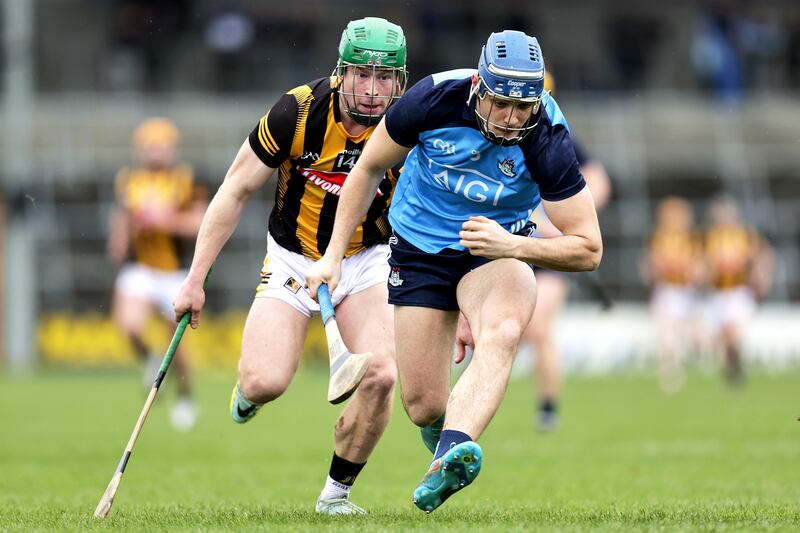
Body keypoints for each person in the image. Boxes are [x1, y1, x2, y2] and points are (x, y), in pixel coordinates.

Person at [306, 30, 602, 513]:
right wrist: (334, 255)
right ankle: (442, 432)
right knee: (423, 405)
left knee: (503, 331)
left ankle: (446, 459)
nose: (511, 118)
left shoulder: (547, 137)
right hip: (419, 247)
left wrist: (513, 245)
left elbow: (589, 248)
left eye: (523, 107)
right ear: (478, 87)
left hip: (495, 249)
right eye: (501, 103)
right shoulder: (432, 100)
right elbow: (367, 170)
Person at [172, 17, 407, 515]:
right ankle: (249, 393)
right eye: (361, 75)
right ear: (340, 72)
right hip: (293, 258)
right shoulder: (296, 112)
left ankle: (335, 496)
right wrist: (194, 280)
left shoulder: (410, 127)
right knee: (265, 381)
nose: (372, 90)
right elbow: (234, 189)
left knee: (382, 375)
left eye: (385, 76)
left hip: (364, 260)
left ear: (400, 81)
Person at [521, 71, 612, 431]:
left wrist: (566, 220)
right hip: (510, 249)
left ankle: (547, 409)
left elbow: (600, 182)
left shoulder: (559, 141)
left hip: (549, 254)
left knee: (539, 328)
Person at [107, 117, 207, 431]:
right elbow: (123, 215)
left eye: (160, 145)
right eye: (149, 146)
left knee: (176, 346)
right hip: (140, 267)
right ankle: (151, 360)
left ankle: (185, 397)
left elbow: (200, 223)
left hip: (174, 272)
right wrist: (119, 240)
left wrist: (165, 221)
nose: (154, 152)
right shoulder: (128, 180)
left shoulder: (185, 179)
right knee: (129, 325)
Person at [702, 195, 773, 386]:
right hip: (717, 293)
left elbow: (763, 255)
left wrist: (761, 277)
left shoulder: (745, 235)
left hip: (738, 291)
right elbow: (702, 264)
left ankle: (734, 368)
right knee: (724, 337)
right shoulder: (710, 237)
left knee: (732, 332)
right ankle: (733, 368)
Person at [640, 196, 703, 393]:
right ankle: (670, 373)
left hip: (686, 293)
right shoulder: (658, 239)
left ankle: (678, 368)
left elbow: (700, 268)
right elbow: (649, 267)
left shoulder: (692, 240)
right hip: (666, 291)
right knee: (667, 336)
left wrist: (692, 272)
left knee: (686, 336)